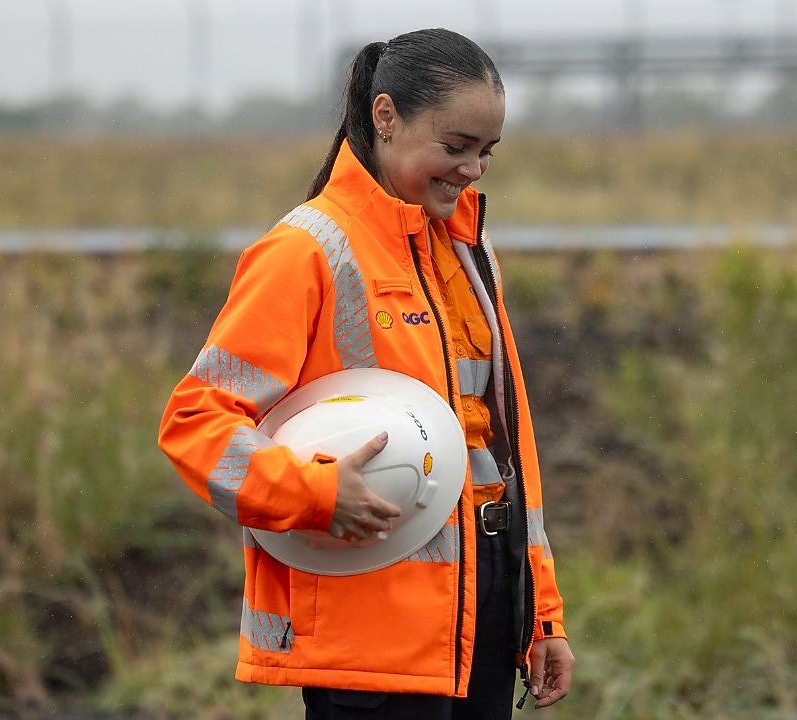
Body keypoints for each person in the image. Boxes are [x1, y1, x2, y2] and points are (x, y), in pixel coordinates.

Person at [158, 27, 574, 719]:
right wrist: (316, 493)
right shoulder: (305, 252)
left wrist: (542, 612)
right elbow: (194, 425)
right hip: (369, 633)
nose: (472, 169)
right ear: (386, 116)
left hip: (489, 609)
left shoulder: (469, 249)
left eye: (486, 152)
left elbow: (505, 446)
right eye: (455, 146)